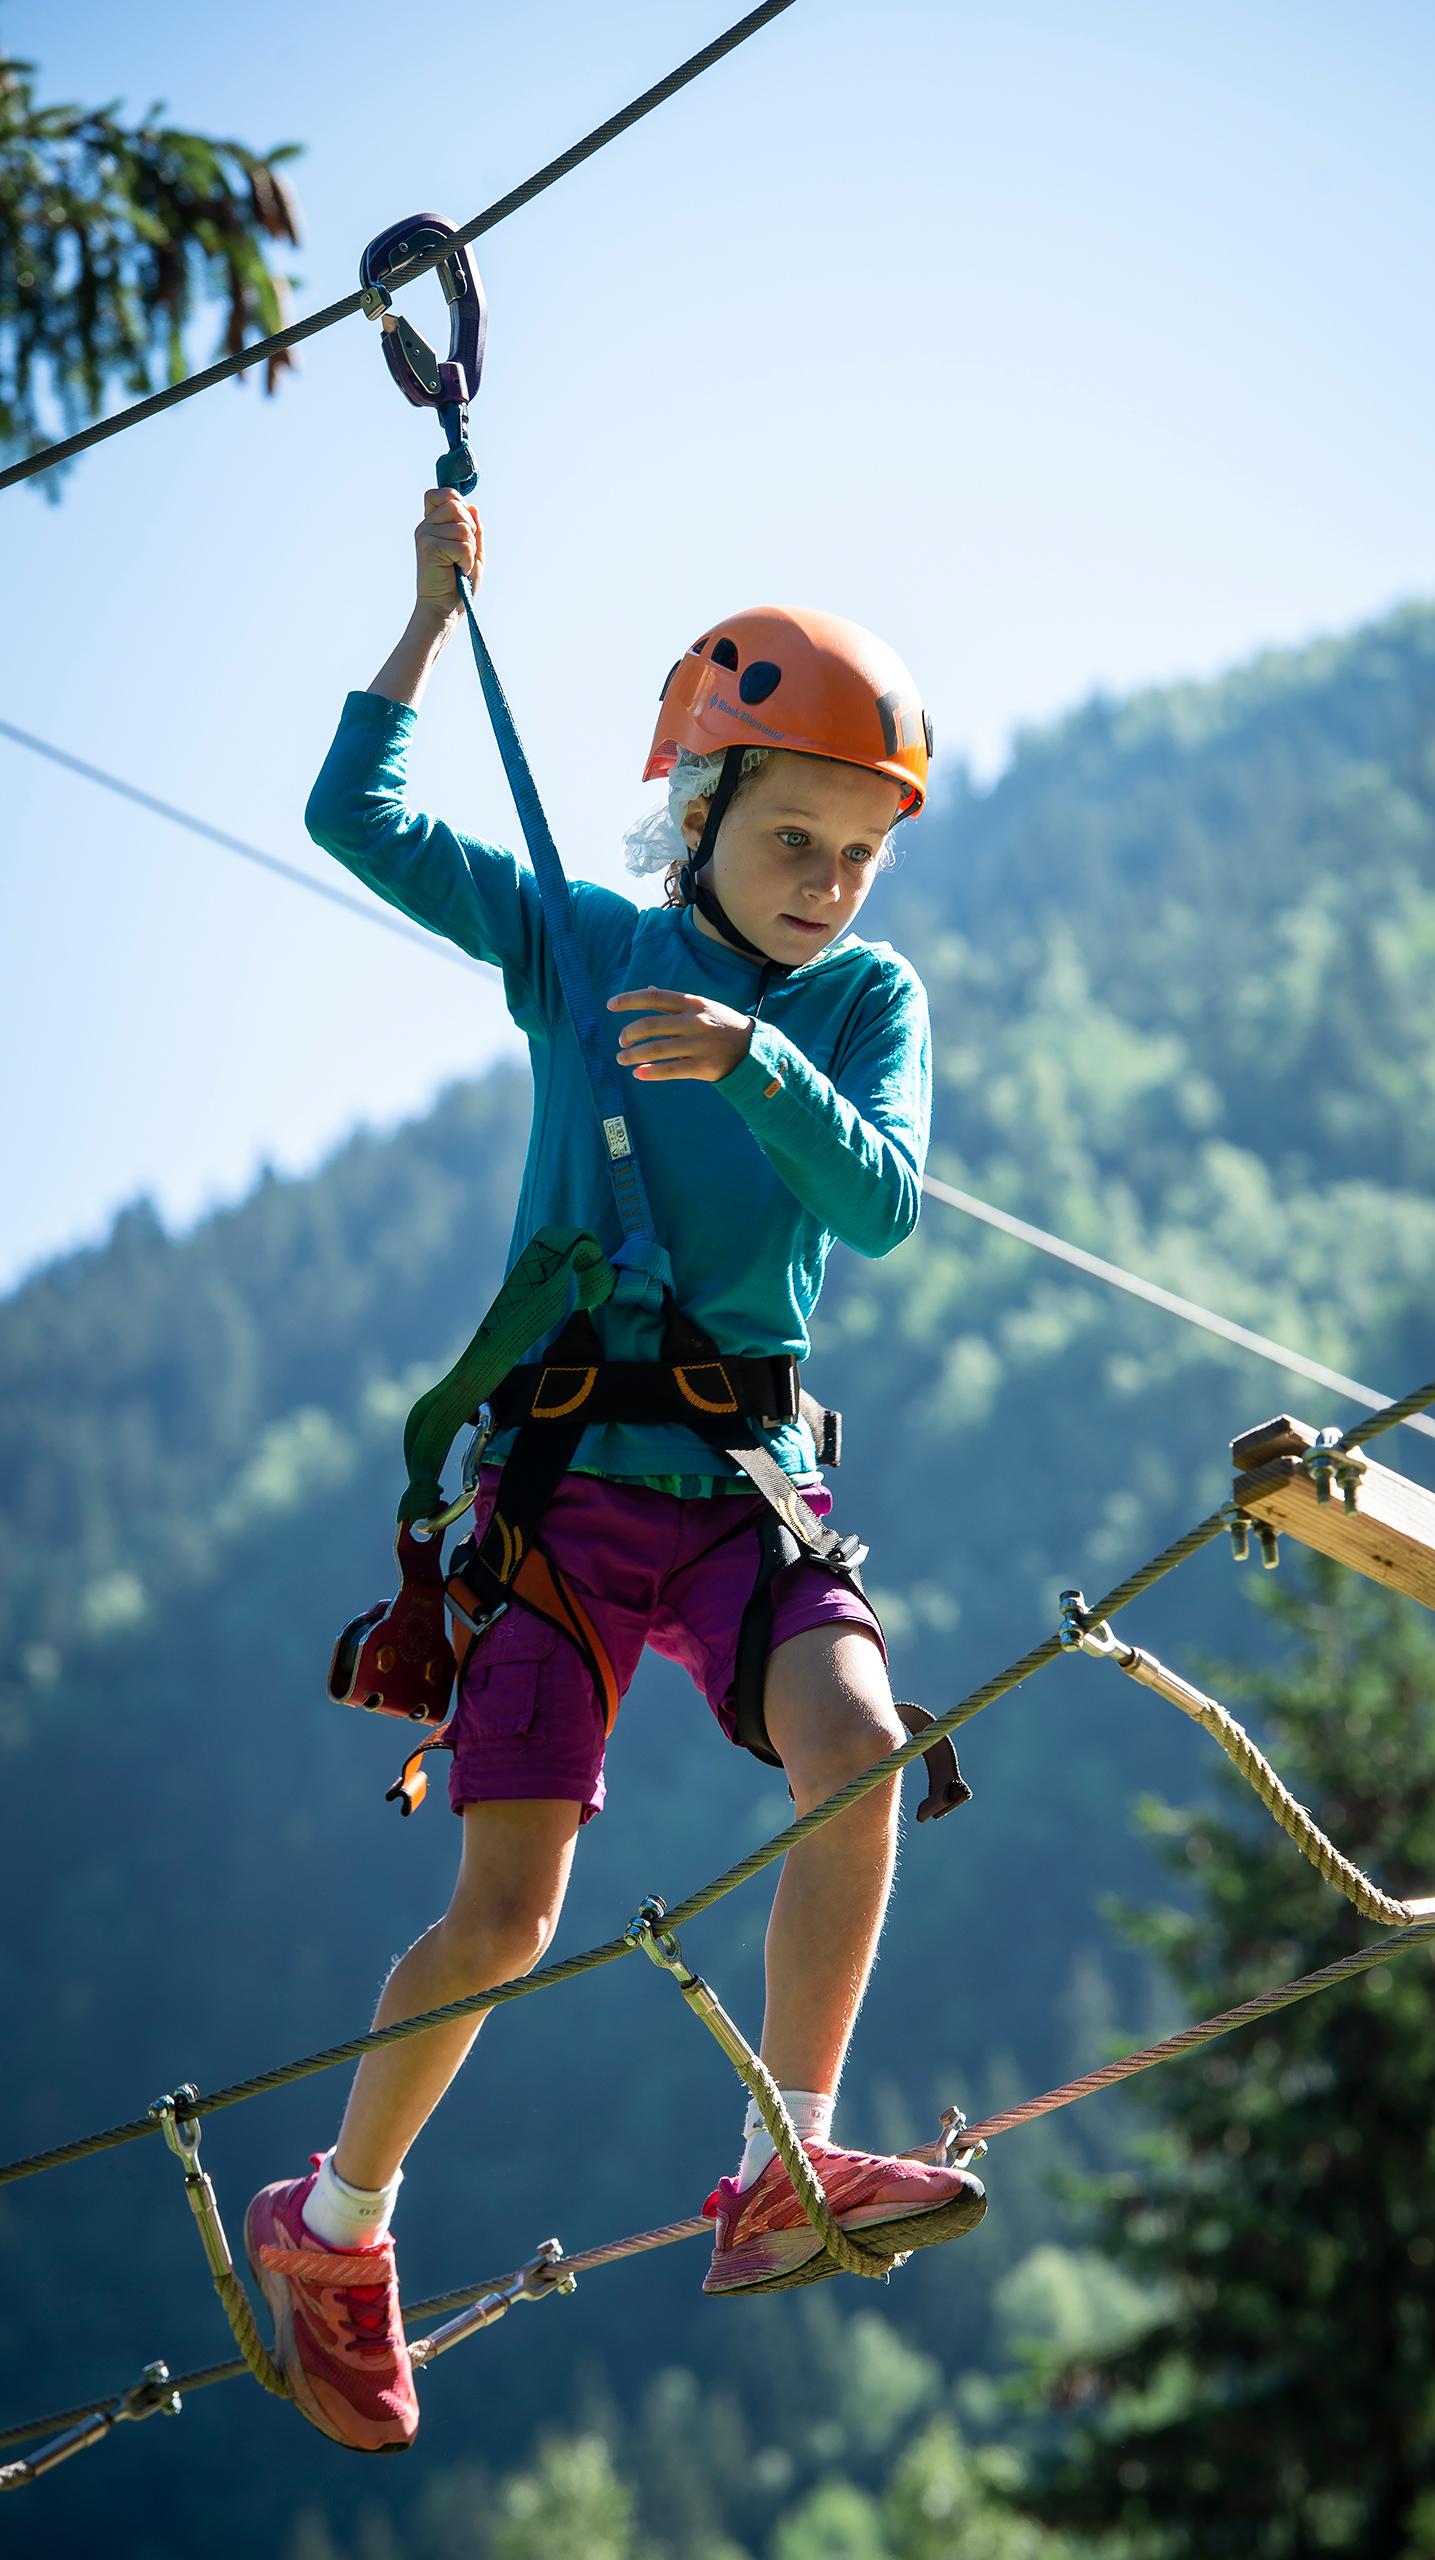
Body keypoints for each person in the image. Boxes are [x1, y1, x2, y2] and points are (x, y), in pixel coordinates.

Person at [245, 490, 985, 2455]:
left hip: (745, 1486)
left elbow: (886, 1205)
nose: (829, 882)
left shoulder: (857, 1004)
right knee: (508, 1910)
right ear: (703, 809)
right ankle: (336, 2223)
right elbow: (361, 825)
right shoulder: (579, 943)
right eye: (789, 839)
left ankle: (786, 2158)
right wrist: (421, 625)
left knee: (864, 1740)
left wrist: (748, 1055)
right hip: (566, 1492)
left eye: (859, 854)